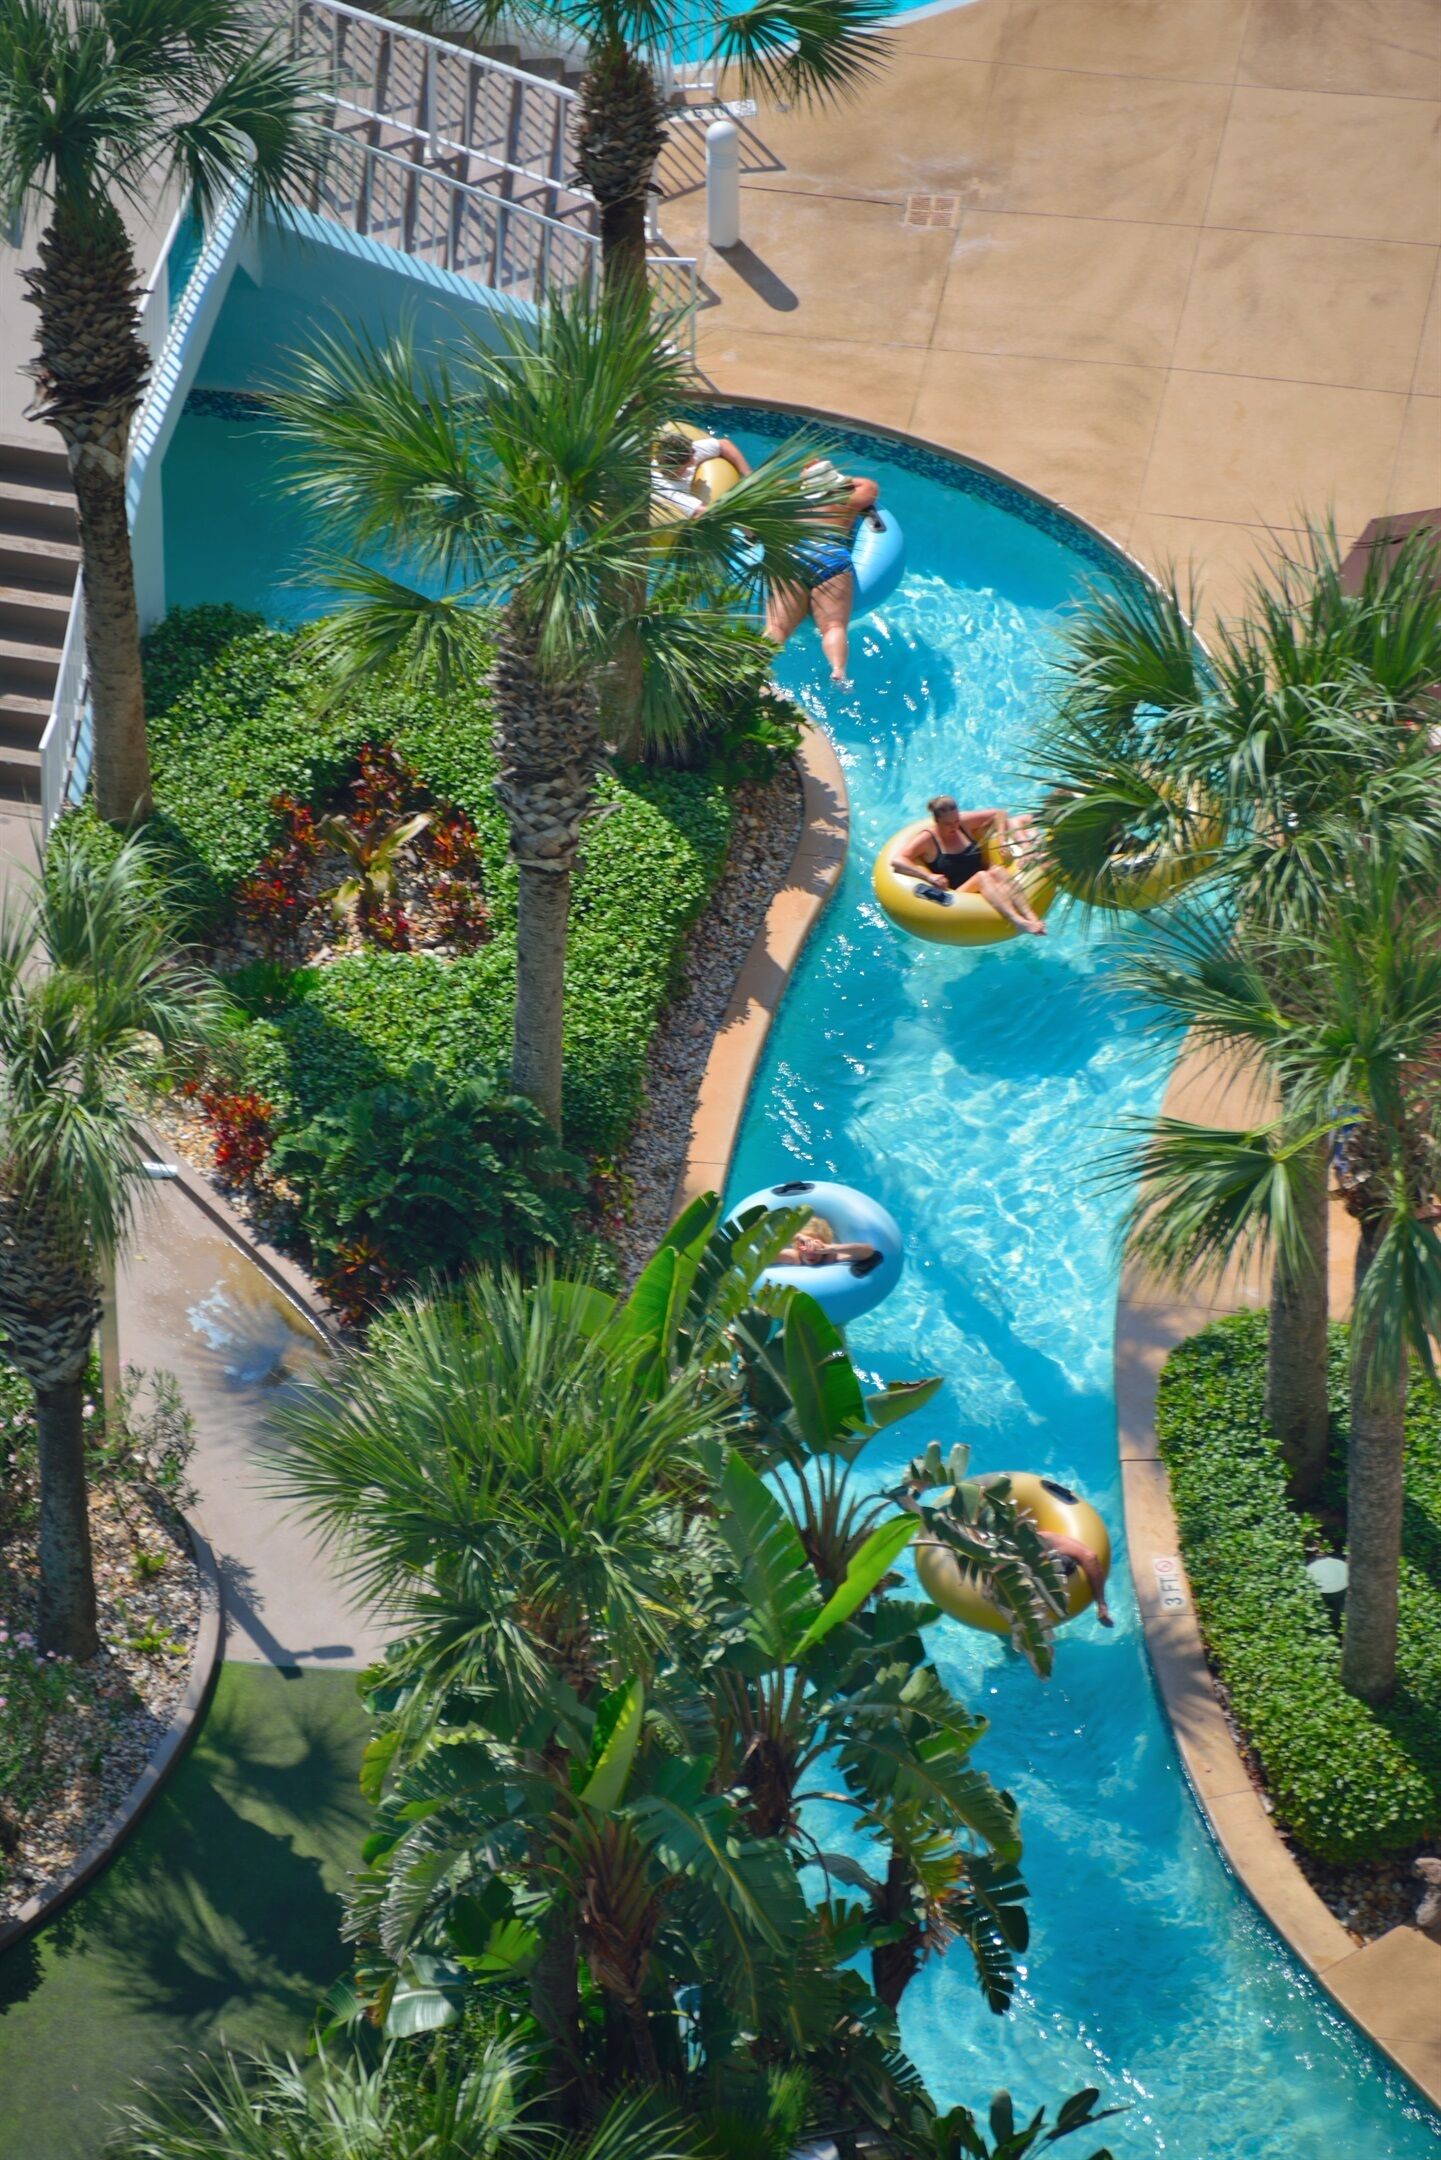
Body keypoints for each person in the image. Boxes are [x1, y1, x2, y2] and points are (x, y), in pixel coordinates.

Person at [765, 457, 881, 687]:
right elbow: (869, 485)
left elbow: (771, 483)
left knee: (777, 627)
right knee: (833, 627)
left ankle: (756, 665)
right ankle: (838, 670)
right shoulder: (847, 499)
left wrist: (802, 483)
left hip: (794, 553)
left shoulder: (792, 500)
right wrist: (838, 480)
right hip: (830, 554)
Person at [891, 795, 1046, 937]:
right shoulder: (928, 839)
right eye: (948, 824)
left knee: (998, 870)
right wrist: (928, 876)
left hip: (985, 884)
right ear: (936, 821)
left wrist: (1000, 837)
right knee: (982, 876)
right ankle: (1018, 922)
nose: (954, 827)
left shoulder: (963, 824)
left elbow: (999, 813)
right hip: (958, 894)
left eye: (956, 821)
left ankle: (1031, 917)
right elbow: (898, 860)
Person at [651, 428, 750, 520]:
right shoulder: (665, 487)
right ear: (678, 469)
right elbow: (699, 512)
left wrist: (748, 477)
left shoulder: (685, 453)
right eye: (687, 465)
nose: (694, 460)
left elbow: (723, 444)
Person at [1040, 1530, 1115, 1627]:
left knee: (1063, 1562)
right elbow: (1089, 1557)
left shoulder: (1042, 1539)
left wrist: (1101, 1603)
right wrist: (1101, 1604)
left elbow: (1089, 1557)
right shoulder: (1040, 1539)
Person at [776, 1213, 881, 1274]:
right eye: (806, 1246)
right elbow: (761, 1255)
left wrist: (830, 1248)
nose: (812, 1252)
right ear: (798, 1247)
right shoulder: (794, 1256)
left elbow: (869, 1251)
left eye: (816, 1247)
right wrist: (799, 1236)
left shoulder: (830, 1256)